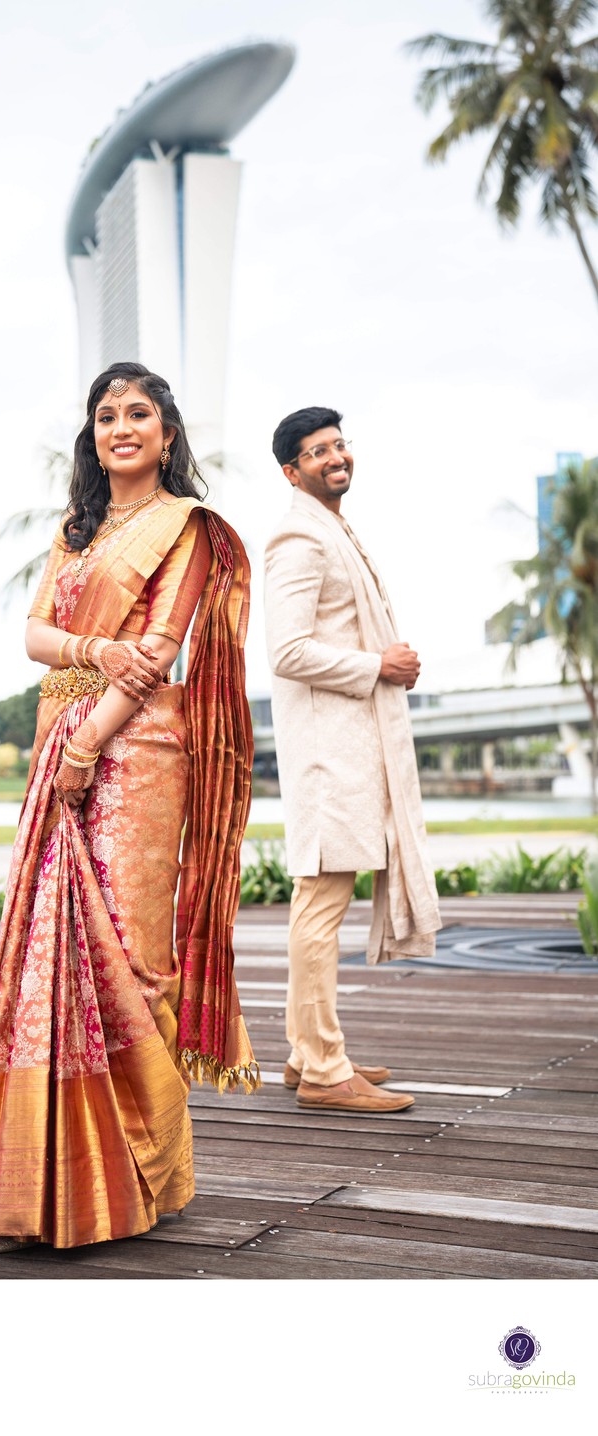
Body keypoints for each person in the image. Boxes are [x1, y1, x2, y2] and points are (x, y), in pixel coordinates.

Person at [0, 362, 258, 1251]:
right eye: (104, 415)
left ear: (167, 434)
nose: (120, 426)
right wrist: (90, 655)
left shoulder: (188, 528)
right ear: (92, 436)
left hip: (136, 753)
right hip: (64, 738)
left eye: (138, 413)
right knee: (52, 946)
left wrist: (91, 744)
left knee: (132, 951)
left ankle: (139, 1174)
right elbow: (34, 636)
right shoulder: (76, 529)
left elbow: (159, 647)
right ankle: (46, 1184)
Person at [264, 405, 440, 1115]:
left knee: (318, 904)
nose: (335, 457)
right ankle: (325, 1071)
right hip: (326, 757)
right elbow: (286, 651)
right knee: (320, 904)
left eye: (339, 444)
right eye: (317, 451)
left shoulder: (328, 526)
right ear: (291, 470)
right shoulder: (296, 538)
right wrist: (378, 663)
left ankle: (308, 1050)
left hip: (344, 750)